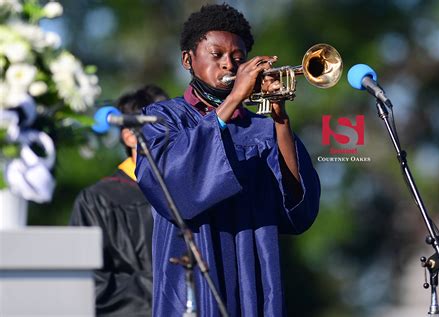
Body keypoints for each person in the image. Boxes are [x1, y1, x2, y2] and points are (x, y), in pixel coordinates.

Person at [136, 4, 321, 316]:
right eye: (217, 54)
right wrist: (235, 97)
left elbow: (296, 207)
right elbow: (172, 185)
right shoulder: (161, 117)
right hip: (190, 277)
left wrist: (280, 119)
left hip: (253, 277)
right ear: (188, 60)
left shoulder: (261, 129)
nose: (228, 65)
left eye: (238, 58)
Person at [69, 84, 168, 316]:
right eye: (159, 124)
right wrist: (168, 290)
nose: (170, 132)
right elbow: (89, 283)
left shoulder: (193, 191)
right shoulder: (98, 200)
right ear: (129, 136)